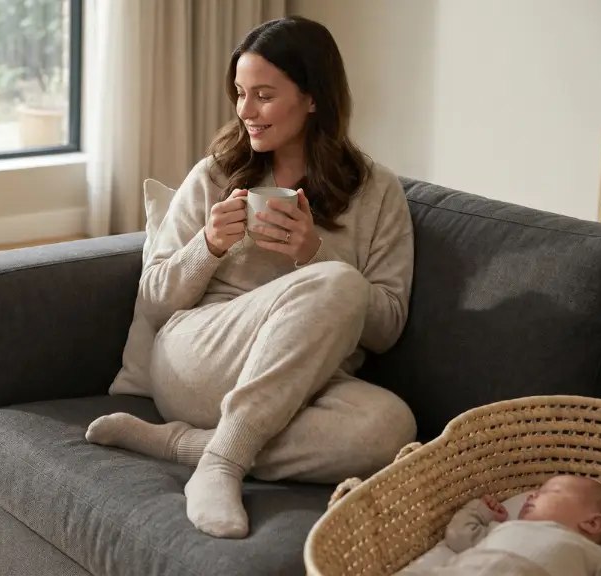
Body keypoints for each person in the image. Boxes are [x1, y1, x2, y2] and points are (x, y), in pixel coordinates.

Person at [85, 15, 417, 539]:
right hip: (199, 356)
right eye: (239, 93)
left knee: (390, 427)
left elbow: (387, 326)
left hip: (301, 379)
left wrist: (313, 253)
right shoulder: (216, 173)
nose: (245, 111)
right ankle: (222, 467)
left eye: (263, 95)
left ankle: (185, 446)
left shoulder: (377, 192)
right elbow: (153, 302)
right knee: (340, 281)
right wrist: (209, 246)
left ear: (313, 99)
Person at [398, 475, 601, 575]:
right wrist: (481, 511)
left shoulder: (593, 555)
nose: (531, 495)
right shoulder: (502, 529)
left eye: (548, 491)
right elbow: (458, 536)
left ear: (592, 523)